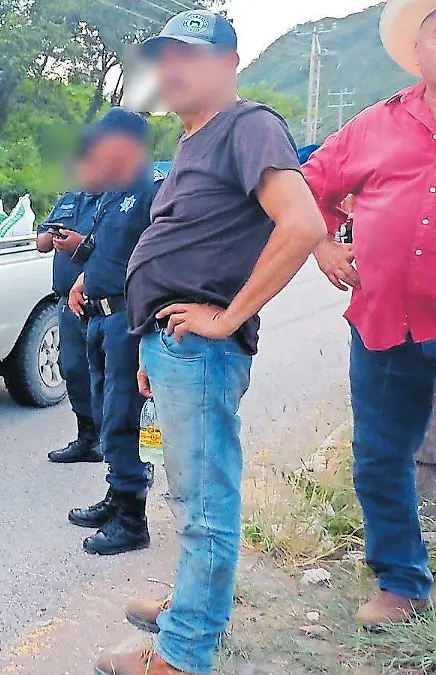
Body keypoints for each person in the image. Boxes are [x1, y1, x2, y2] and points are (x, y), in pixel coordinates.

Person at [96, 11, 326, 675]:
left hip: (201, 350)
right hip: (171, 349)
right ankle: (192, 609)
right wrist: (149, 345)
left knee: (203, 503)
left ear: (229, 63)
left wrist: (226, 319)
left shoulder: (247, 126)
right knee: (187, 496)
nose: (172, 68)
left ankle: (182, 654)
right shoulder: (194, 141)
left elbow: (303, 224)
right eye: (164, 57)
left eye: (190, 55)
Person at [301, 0, 436, 630]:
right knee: (380, 456)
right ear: (418, 51)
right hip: (386, 323)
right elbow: (307, 186)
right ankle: (401, 582)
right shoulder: (375, 125)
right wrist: (325, 245)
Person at [63, 108, 160, 556]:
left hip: (128, 321)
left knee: (124, 416)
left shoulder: (151, 190)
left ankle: (132, 519)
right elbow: (110, 252)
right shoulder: (111, 192)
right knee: (106, 413)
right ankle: (116, 494)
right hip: (99, 319)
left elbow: (156, 257)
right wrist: (85, 277)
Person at [35, 155, 104, 463]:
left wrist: (80, 243)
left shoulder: (111, 201)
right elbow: (40, 242)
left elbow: (117, 248)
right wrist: (52, 237)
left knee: (109, 375)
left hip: (99, 305)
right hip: (67, 304)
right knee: (73, 369)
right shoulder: (68, 200)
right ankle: (86, 438)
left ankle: (117, 443)